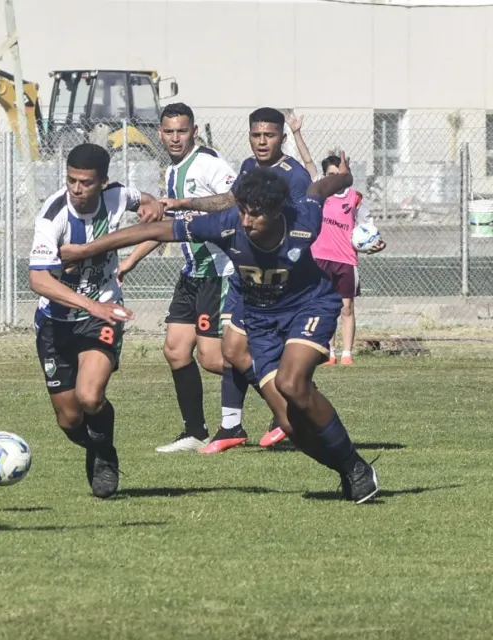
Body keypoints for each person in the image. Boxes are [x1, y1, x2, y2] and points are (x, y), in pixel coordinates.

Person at [60, 153, 381, 504]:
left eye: (255, 213)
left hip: (310, 306)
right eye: (242, 210)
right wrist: (85, 250)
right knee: (290, 425)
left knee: (292, 383)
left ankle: (355, 466)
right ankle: (349, 469)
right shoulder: (227, 223)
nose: (246, 220)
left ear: (277, 211)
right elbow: (156, 229)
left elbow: (321, 186)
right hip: (260, 320)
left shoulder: (303, 217)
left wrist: (345, 178)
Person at [164, 107, 311, 451]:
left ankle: (291, 407)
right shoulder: (247, 167)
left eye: (269, 135)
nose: (262, 142)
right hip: (244, 272)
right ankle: (230, 426)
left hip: (273, 278)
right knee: (228, 351)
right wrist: (184, 204)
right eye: (256, 135)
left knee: (233, 353)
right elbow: (229, 203)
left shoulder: (295, 176)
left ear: (282, 137)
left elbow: (306, 224)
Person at [28, 143, 162, 498]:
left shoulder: (116, 196)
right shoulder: (52, 215)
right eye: (71, 180)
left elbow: (144, 199)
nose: (76, 189)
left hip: (103, 312)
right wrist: (88, 304)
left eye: (86, 182)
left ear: (102, 181)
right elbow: (38, 280)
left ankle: (105, 456)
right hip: (56, 322)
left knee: (90, 397)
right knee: (69, 421)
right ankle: (98, 445)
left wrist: (150, 204)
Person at [115, 103, 246, 454]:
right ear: (159, 133)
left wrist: (187, 202)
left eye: (181, 131)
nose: (175, 138)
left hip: (218, 273)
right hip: (191, 273)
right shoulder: (172, 171)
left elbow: (235, 199)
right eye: (169, 131)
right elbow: (166, 228)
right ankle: (195, 431)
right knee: (175, 350)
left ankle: (285, 392)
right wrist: (129, 262)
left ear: (194, 131)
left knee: (214, 359)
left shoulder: (209, 164)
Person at [311, 154, 387, 365]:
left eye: (338, 174)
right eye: (329, 175)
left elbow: (366, 229)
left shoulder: (356, 198)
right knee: (325, 307)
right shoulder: (318, 193)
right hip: (320, 258)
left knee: (346, 307)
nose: (333, 179)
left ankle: (347, 354)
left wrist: (377, 243)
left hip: (345, 259)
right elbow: (308, 162)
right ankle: (329, 352)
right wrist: (297, 134)